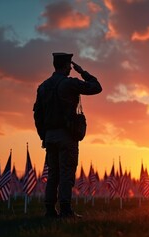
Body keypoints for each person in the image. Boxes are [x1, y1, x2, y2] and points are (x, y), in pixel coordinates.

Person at [33, 52, 102, 218]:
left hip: (49, 137)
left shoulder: (43, 86)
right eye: (70, 66)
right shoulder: (69, 84)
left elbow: (38, 116)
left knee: (53, 175)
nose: (71, 69)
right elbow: (96, 87)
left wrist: (44, 136)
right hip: (66, 136)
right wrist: (83, 72)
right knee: (66, 174)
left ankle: (49, 210)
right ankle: (65, 210)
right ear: (66, 66)